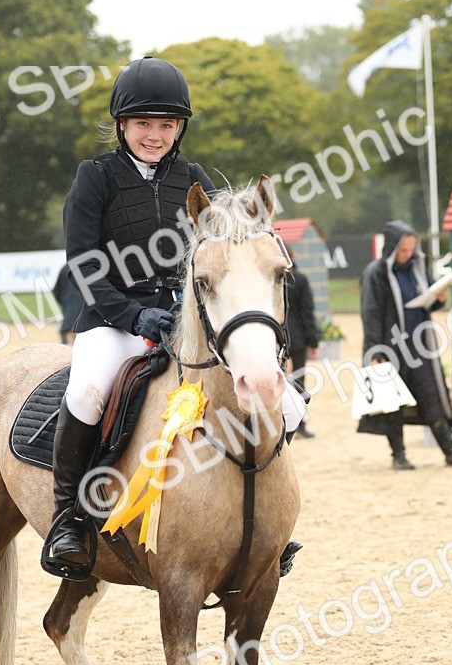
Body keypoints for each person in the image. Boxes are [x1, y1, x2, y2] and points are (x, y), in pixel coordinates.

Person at [43, 56, 305, 577]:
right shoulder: (95, 178)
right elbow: (83, 262)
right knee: (87, 392)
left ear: (179, 128)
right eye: (144, 124)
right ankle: (68, 516)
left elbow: (222, 250)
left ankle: (268, 528)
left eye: (166, 125)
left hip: (185, 321)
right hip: (111, 319)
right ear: (122, 125)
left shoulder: (193, 178)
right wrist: (132, 315)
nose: (155, 135)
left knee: (290, 406)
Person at [357, 220, 452, 469]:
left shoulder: (418, 267)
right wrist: (375, 350)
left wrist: (439, 299)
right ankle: (399, 456)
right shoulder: (375, 274)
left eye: (411, 249)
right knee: (393, 404)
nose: (407, 254)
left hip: (421, 348)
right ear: (391, 247)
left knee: (433, 397)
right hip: (389, 349)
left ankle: (451, 452)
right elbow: (370, 313)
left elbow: (428, 300)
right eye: (403, 250)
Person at [285, 249, 319, 438]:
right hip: (296, 337)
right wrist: (312, 341)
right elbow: (307, 313)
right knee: (298, 381)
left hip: (276, 338)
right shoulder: (300, 279)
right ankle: (301, 423)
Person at [52, 262, 84, 345]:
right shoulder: (91, 267)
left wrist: (65, 304)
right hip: (85, 318)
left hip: (68, 318)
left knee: (68, 350)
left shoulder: (64, 269)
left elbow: (56, 292)